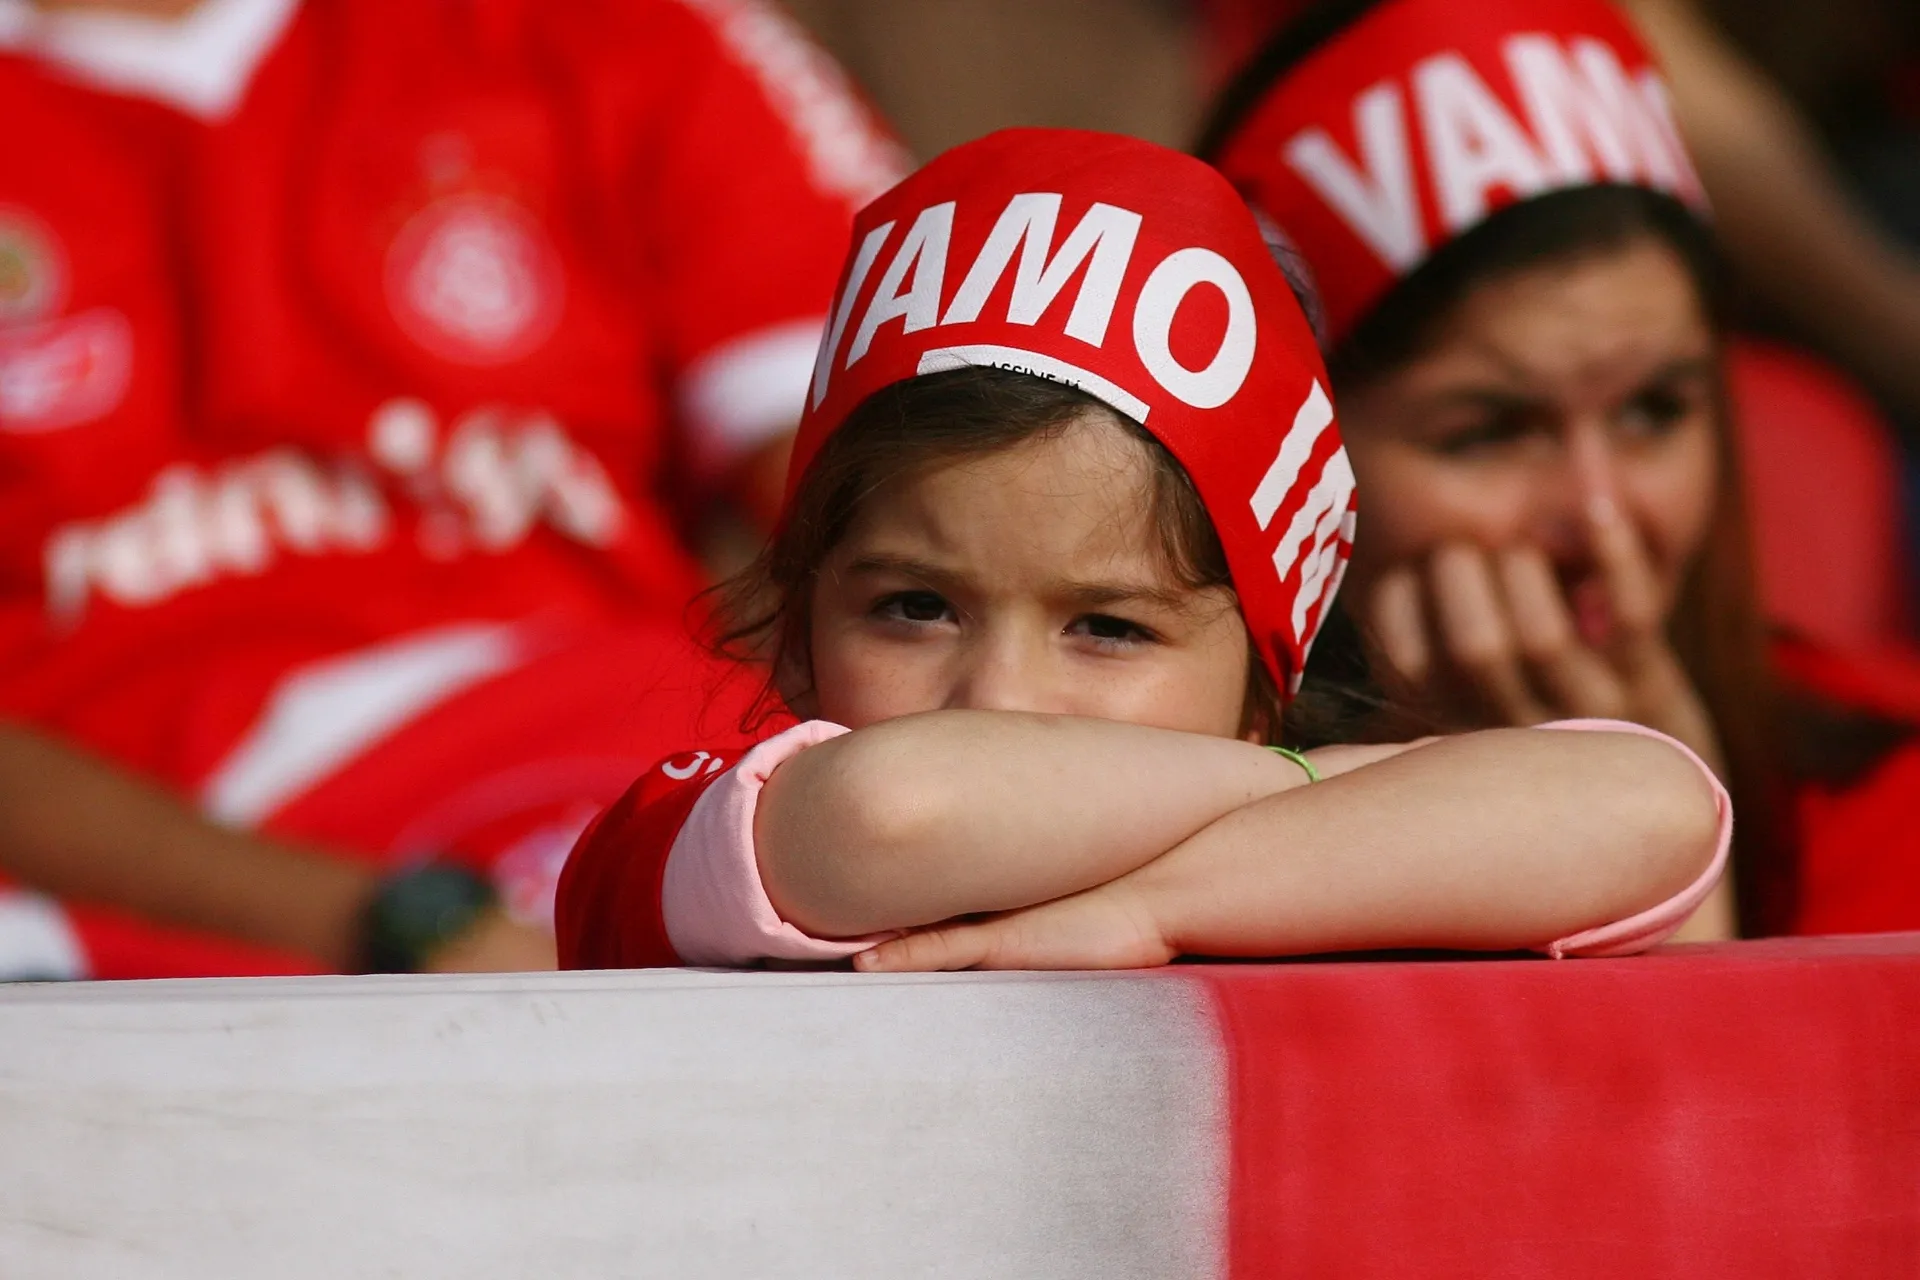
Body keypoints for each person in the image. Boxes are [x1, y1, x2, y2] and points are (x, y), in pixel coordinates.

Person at [555, 127, 1728, 973]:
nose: (999, 698)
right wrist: (1341, 787)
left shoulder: (1238, 864)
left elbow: (1657, 803)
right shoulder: (680, 842)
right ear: (801, 636)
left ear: (1263, 693)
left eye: (1108, 627)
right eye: (915, 606)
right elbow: (892, 807)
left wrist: (1158, 906)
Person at [0, 0, 903, 978]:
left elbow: (924, 496)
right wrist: (388, 922)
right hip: (183, 878)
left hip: (654, 754)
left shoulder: (622, 30)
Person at [1200, 0, 1920, 940]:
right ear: (1292, 463)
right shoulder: (1142, 782)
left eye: (1655, 411)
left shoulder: (1885, 790)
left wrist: (1675, 880)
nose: (1600, 516)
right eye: (1490, 431)